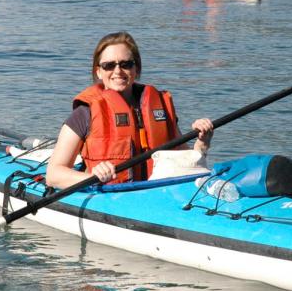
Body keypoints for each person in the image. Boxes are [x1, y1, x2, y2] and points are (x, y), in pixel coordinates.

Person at [46, 31, 214, 189]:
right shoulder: (84, 113)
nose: (118, 71)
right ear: (98, 72)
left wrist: (202, 143)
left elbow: (186, 161)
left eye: (126, 64)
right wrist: (92, 177)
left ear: (136, 69)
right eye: (109, 65)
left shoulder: (160, 106)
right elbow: (53, 174)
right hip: (111, 196)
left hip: (157, 193)